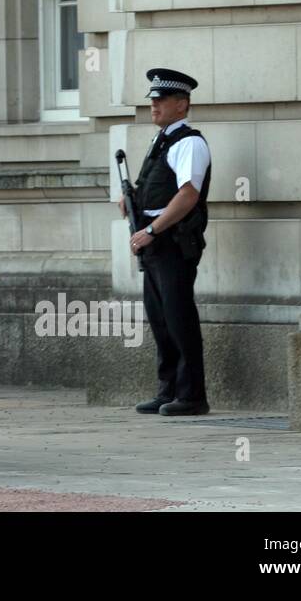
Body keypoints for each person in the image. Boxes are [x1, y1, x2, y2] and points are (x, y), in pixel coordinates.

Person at [120, 68, 212, 416]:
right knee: (160, 318)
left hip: (173, 241)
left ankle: (192, 396)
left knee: (178, 317)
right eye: (153, 100)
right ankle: (169, 389)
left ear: (182, 105)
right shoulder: (162, 142)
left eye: (161, 100)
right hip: (155, 241)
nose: (154, 106)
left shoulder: (189, 142)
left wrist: (153, 230)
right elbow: (160, 188)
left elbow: (188, 194)